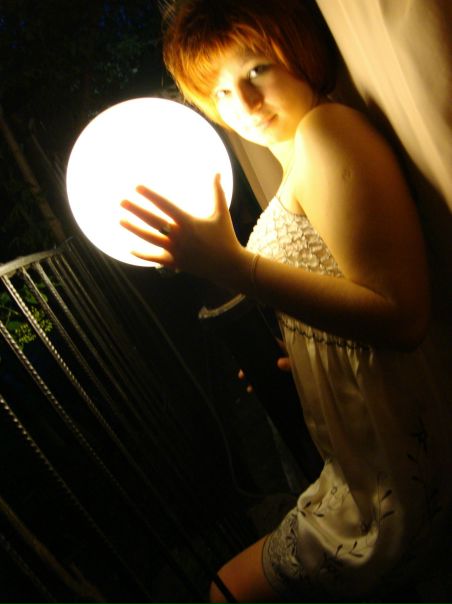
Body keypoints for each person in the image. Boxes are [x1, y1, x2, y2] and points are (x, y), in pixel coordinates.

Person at [120, 0, 452, 601]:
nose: (244, 104)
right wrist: (310, 353)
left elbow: (403, 315)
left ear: (298, 52)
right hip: (368, 459)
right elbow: (346, 284)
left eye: (257, 70)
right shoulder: (300, 154)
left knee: (223, 592)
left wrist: (235, 266)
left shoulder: (327, 131)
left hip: (402, 474)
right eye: (221, 92)